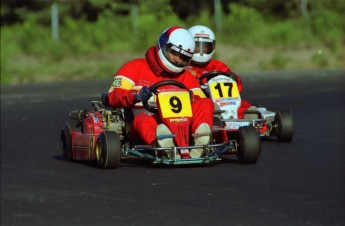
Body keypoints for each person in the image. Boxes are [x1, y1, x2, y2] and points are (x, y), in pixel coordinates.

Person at [107, 26, 215, 159]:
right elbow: (113, 95)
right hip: (145, 122)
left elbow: (200, 100)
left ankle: (200, 141)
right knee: (143, 120)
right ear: (163, 45)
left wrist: (192, 98)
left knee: (206, 102)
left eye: (183, 57)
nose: (178, 60)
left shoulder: (187, 77)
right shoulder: (134, 67)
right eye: (174, 53)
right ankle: (163, 144)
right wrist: (134, 95)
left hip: (182, 126)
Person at [186, 25, 252, 119]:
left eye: (205, 47)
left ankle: (250, 117)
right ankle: (215, 115)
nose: (201, 51)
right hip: (198, 101)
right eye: (197, 46)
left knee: (243, 105)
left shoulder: (218, 66)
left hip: (223, 101)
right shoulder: (183, 66)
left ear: (212, 47)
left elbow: (237, 88)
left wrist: (234, 79)